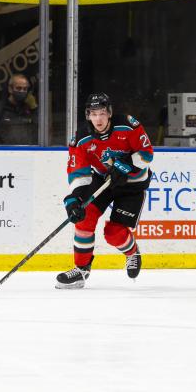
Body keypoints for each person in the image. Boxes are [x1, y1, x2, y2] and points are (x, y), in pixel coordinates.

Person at [56, 93, 154, 289]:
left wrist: (125, 166)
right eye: (93, 114)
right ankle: (82, 270)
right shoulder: (81, 139)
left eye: (102, 113)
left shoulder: (127, 125)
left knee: (114, 233)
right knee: (84, 217)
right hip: (104, 180)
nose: (98, 119)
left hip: (132, 184)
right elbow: (78, 173)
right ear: (88, 116)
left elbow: (146, 155)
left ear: (109, 113)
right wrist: (75, 199)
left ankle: (132, 252)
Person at [0, 73, 38, 145]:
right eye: (18, 88)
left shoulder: (28, 109)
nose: (22, 91)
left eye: (25, 89)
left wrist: (34, 108)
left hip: (26, 152)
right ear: (10, 89)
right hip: (3, 153)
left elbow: (38, 132)